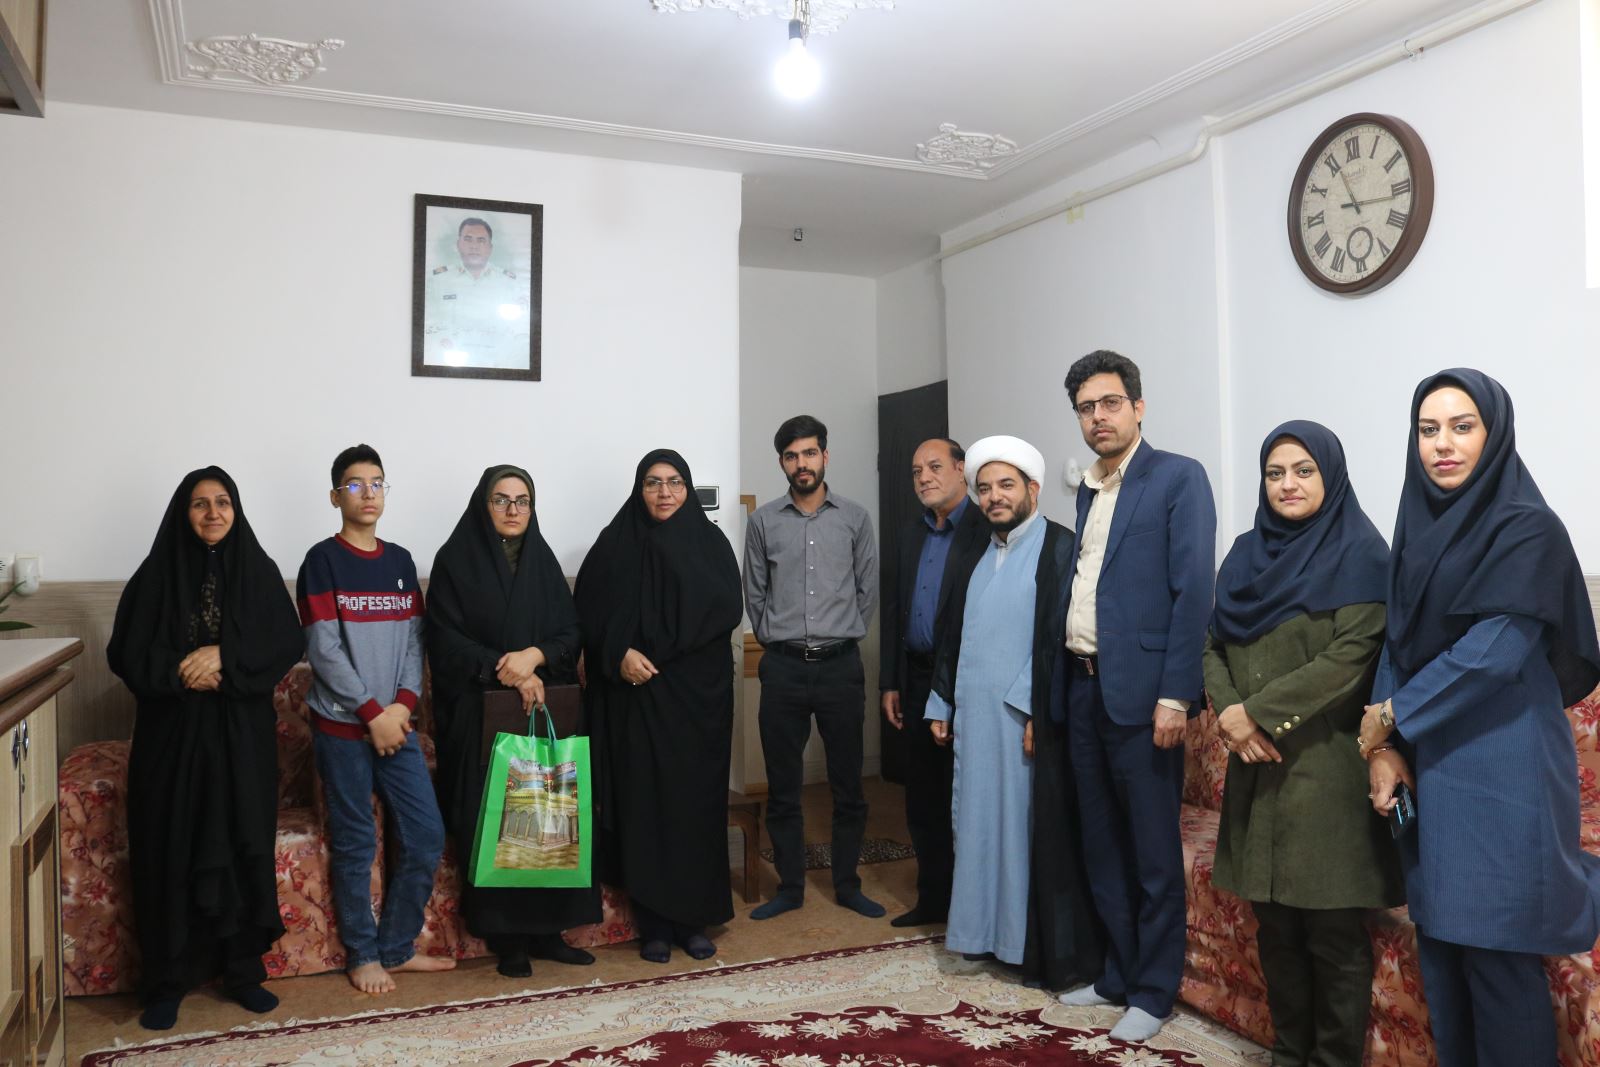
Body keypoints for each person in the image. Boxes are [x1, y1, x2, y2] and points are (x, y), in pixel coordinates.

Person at [1358, 370, 1600, 1067]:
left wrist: (1392, 715)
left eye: (1462, 426)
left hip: (1504, 764)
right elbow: (1396, 641)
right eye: (1428, 429)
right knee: (1442, 951)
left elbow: (1495, 650)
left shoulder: (1528, 528)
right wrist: (1383, 748)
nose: (1443, 443)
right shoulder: (1416, 528)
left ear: (1493, 434)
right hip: (1430, 764)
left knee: (1497, 958)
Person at [1203, 421, 1404, 1066]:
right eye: (1275, 473)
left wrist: (1256, 715)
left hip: (1326, 769)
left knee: (1332, 933)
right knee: (1277, 930)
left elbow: (1350, 658)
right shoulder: (1244, 553)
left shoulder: (1363, 554)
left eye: (1303, 471)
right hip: (1257, 771)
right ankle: (1289, 1055)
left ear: (1331, 476)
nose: (1288, 484)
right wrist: (1230, 714)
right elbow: (1212, 644)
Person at [1056, 350, 1216, 1043]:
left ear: (1138, 407)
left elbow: (1193, 592)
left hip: (1145, 698)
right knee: (1102, 846)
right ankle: (1118, 974)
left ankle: (1154, 990)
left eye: (1110, 403)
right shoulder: (1088, 488)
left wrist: (1176, 694)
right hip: (1083, 688)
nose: (1099, 417)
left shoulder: (1178, 477)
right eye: (1086, 407)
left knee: (1151, 854)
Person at [108, 467, 304, 1031]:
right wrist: (180, 670)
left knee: (242, 843)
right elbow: (125, 652)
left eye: (223, 502)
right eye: (200, 504)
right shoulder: (155, 574)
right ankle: (167, 981)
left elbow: (286, 641)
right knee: (169, 848)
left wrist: (225, 657)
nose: (213, 513)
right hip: (170, 740)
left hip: (240, 739)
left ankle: (241, 972)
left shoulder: (258, 571)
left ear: (236, 511)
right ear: (183, 512)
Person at [923, 436, 1101, 989]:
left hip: (1024, 720)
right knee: (976, 826)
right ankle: (980, 936)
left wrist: (1034, 710)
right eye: (985, 488)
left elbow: (1060, 635)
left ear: (1033, 490)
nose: (995, 497)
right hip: (974, 719)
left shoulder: (1059, 547)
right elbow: (951, 633)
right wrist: (941, 701)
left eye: (1006, 485)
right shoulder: (974, 550)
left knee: (1023, 833)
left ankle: (1023, 944)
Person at [426, 465, 599, 979]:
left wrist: (536, 656)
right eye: (501, 499)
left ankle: (549, 931)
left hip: (541, 716)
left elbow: (572, 631)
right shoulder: (455, 561)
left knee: (548, 817)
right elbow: (445, 640)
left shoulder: (543, 561)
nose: (512, 510)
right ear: (484, 505)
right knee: (499, 820)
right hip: (480, 718)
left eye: (522, 500)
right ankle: (508, 939)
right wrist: (509, 670)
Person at [296, 444, 454, 995]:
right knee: (356, 841)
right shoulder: (322, 561)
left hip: (397, 725)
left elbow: (414, 641)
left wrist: (402, 707)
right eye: (356, 484)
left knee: (426, 833)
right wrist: (371, 714)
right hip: (343, 728)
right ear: (335, 495)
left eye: (377, 483)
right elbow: (324, 650)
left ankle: (397, 948)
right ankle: (363, 955)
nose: (368, 493)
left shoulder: (400, 562)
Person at [576, 450, 744, 962]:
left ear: (688, 489)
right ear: (639, 489)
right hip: (637, 704)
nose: (664, 492)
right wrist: (618, 656)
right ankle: (652, 925)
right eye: (653, 483)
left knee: (693, 811)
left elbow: (724, 611)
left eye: (674, 482)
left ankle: (693, 922)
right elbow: (587, 617)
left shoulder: (711, 544)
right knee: (643, 808)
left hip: (696, 707)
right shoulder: (614, 545)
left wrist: (665, 654)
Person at [743, 414, 883, 920]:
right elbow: (755, 593)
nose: (801, 463)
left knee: (848, 785)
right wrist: (778, 637)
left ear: (825, 455)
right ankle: (790, 889)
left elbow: (867, 589)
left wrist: (840, 632)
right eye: (791, 456)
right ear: (781, 462)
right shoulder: (763, 522)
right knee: (783, 787)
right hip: (782, 669)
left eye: (808, 453)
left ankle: (847, 885)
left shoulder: (855, 519)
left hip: (840, 668)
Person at [879, 437, 986, 928]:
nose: (924, 477)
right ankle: (933, 899)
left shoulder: (985, 529)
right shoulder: (910, 534)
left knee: (964, 796)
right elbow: (895, 610)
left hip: (966, 684)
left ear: (961, 469)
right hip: (916, 680)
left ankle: (971, 907)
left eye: (935, 466)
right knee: (922, 798)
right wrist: (890, 682)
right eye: (917, 470)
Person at [423, 216, 531, 369]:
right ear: (458, 244)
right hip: (448, 361)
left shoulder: (510, 283)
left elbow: (520, 330)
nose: (474, 246)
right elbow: (428, 325)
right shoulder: (437, 281)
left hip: (499, 363)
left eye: (481, 241)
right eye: (468, 239)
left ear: (490, 248)